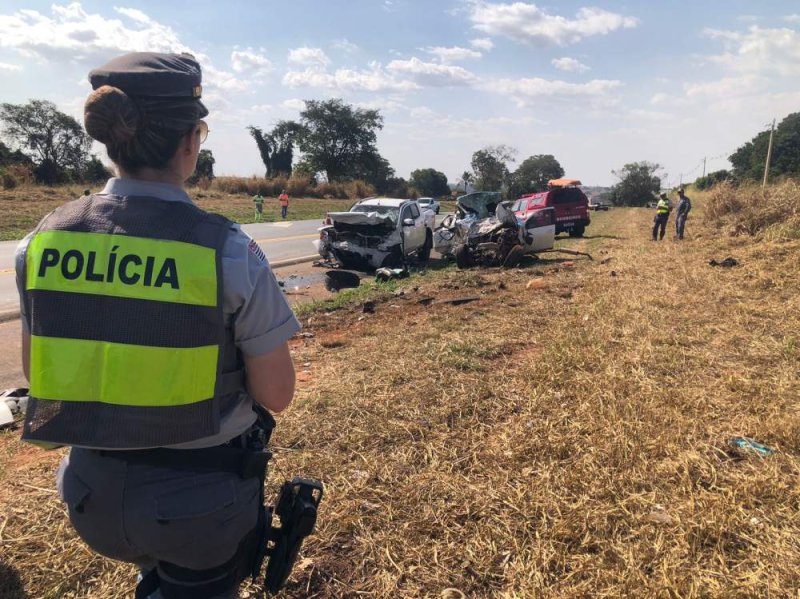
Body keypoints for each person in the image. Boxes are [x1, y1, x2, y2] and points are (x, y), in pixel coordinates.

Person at [14, 52, 300, 598]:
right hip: (200, 507)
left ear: (110, 140)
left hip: (89, 496)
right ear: (190, 142)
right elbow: (277, 393)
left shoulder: (42, 242)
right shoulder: (228, 250)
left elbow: (39, 371)